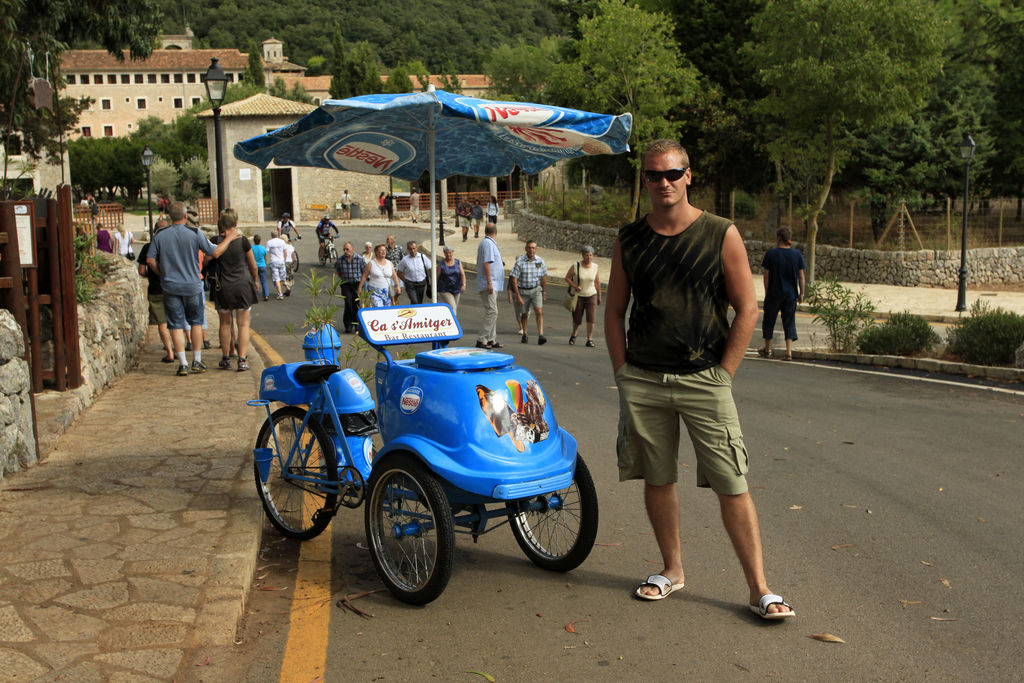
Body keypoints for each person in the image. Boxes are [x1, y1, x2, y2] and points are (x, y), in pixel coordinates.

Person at [604, 139, 794, 618]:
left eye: (672, 174)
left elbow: (748, 308)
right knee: (658, 478)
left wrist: (723, 374)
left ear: (689, 175)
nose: (662, 183)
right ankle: (672, 570)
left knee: (732, 480)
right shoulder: (629, 239)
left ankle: (759, 589)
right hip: (644, 379)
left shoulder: (719, 233)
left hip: (704, 378)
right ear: (644, 180)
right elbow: (613, 312)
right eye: (653, 175)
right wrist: (623, 373)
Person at [146, 201, 235, 376]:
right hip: (192, 284)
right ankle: (197, 360)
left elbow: (150, 260)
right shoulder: (195, 233)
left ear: (170, 216)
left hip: (170, 285)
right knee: (195, 321)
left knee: (176, 324)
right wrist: (230, 238)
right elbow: (214, 252)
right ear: (186, 216)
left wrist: (162, 273)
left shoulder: (160, 235)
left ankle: (183, 364)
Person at [210, 208, 259, 371]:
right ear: (236, 223)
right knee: (243, 324)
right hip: (242, 284)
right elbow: (252, 264)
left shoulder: (215, 241)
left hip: (222, 285)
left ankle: (225, 357)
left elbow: (207, 259)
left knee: (224, 322)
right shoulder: (243, 241)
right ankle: (242, 359)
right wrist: (256, 280)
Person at [760, 226, 806, 361]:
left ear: (779, 237)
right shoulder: (797, 255)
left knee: (769, 321)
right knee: (789, 322)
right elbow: (801, 276)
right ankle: (788, 352)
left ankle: (767, 349)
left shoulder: (771, 254)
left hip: (774, 293)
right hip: (790, 294)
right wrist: (802, 293)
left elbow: (766, 276)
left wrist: (767, 291)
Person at [136, 218, 174, 363]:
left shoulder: (148, 247)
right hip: (172, 286)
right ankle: (178, 349)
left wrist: (152, 275)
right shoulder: (172, 246)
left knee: (162, 323)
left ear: (154, 232)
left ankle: (169, 352)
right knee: (175, 321)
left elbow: (141, 270)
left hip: (156, 288)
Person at [509, 240, 548, 345]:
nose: (531, 250)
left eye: (533, 248)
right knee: (524, 314)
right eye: (529, 247)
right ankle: (525, 334)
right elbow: (514, 279)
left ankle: (541, 335)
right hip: (523, 290)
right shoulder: (520, 262)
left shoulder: (540, 261)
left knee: (539, 311)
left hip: (536, 289)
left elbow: (543, 277)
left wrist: (544, 292)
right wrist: (517, 295)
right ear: (526, 249)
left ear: (536, 249)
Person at [475, 223, 504, 349]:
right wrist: (489, 282)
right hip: (489, 283)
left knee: (492, 310)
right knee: (492, 311)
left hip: (492, 283)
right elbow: (486, 263)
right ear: (496, 232)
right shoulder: (488, 244)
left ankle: (491, 339)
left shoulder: (489, 243)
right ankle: (482, 339)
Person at [566, 245, 602, 347]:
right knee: (577, 318)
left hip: (591, 295)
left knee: (591, 318)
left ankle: (589, 339)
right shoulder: (576, 265)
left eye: (591, 255)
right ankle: (574, 334)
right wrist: (575, 286)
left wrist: (599, 295)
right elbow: (567, 278)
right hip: (578, 296)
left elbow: (597, 282)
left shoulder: (595, 267)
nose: (589, 257)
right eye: (587, 255)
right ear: (583, 256)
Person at [334, 241, 366, 333]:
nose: (345, 251)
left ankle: (356, 324)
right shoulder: (340, 259)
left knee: (356, 304)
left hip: (356, 284)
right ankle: (348, 325)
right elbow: (338, 271)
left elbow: (364, 272)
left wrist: (361, 286)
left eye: (347, 249)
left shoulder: (359, 259)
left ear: (352, 249)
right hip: (346, 284)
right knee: (348, 303)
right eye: (344, 249)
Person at [358, 244, 401, 308]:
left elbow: (394, 276)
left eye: (384, 250)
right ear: (376, 252)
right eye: (381, 250)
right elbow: (364, 276)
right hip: (374, 292)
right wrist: (360, 287)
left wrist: (398, 286)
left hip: (386, 291)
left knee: (386, 311)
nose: (384, 252)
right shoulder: (371, 263)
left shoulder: (389, 263)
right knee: (378, 308)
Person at [436, 246, 466, 314]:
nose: (448, 255)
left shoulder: (458, 262)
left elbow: (462, 274)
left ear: (452, 253)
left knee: (453, 308)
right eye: (446, 253)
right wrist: (434, 289)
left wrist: (463, 285)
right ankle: (454, 323)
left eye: (450, 253)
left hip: (456, 288)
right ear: (444, 253)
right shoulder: (441, 264)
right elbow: (436, 277)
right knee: (453, 307)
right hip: (444, 289)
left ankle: (448, 321)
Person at [266, 229, 288, 299]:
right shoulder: (282, 242)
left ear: (271, 235)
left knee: (276, 278)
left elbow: (267, 252)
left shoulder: (269, 242)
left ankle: (280, 293)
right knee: (282, 277)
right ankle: (283, 290)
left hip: (274, 261)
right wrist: (284, 259)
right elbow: (285, 252)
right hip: (281, 261)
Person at [385, 235, 404, 304]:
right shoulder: (385, 249)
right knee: (391, 290)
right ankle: (393, 302)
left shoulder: (399, 248)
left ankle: (395, 300)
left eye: (388, 239)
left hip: (398, 273)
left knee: (399, 291)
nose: (387, 241)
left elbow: (403, 259)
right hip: (390, 273)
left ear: (393, 241)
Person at [251, 234, 270, 301]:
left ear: (254, 240)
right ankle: (266, 295)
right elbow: (265, 257)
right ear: (260, 241)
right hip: (262, 265)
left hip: (254, 266)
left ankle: (255, 294)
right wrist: (265, 263)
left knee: (255, 281)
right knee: (263, 281)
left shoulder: (251, 248)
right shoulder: (263, 248)